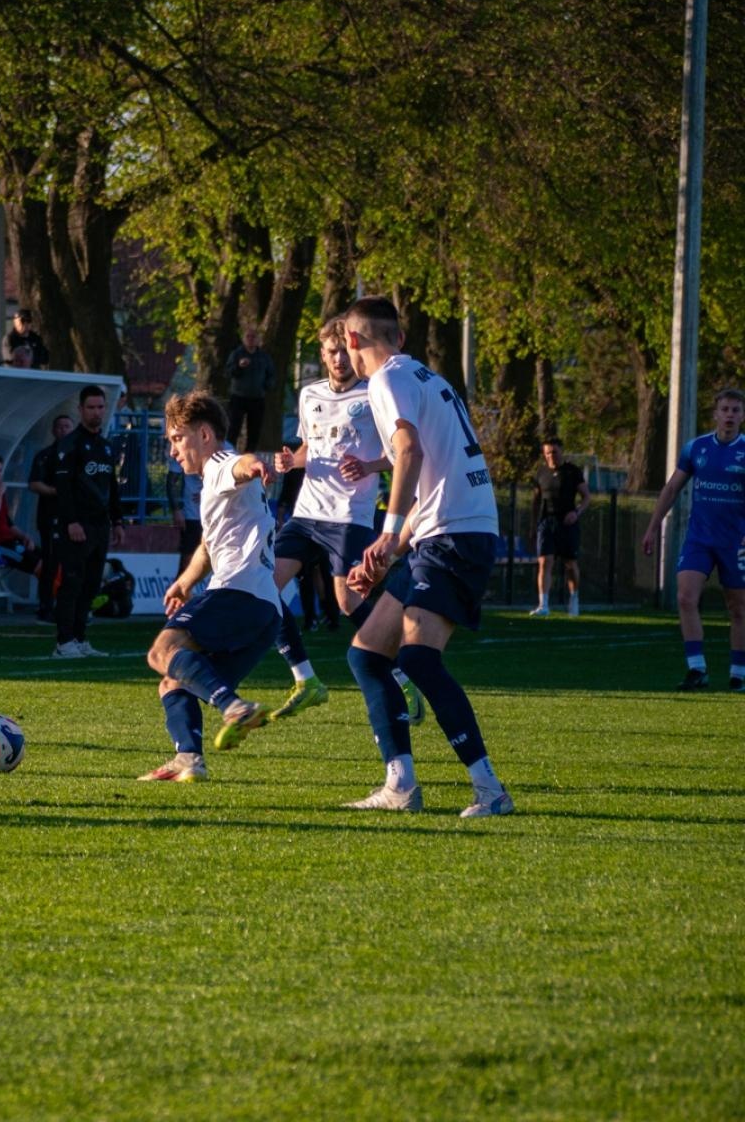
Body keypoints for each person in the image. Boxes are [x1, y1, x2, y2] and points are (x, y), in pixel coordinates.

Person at [337, 296, 513, 817]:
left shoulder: (386, 381)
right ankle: (401, 785)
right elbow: (429, 478)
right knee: (367, 654)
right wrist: (392, 549)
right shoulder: (422, 376)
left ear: (351, 342)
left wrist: (389, 533)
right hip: (446, 532)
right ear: (399, 336)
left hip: (454, 537)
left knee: (417, 659)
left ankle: (489, 788)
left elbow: (409, 452)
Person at [267, 317, 423, 721]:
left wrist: (370, 467)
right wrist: (290, 460)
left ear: (352, 351)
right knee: (263, 588)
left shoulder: (376, 393)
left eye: (343, 351)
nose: (338, 358)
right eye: (330, 352)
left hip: (348, 517)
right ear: (322, 355)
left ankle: (403, 673)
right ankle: (306, 680)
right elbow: (309, 448)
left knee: (348, 599)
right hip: (306, 513)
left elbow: (402, 453)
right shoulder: (310, 394)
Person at [138, 391, 280, 780]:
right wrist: (185, 582)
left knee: (162, 651)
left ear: (203, 434)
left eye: (176, 438)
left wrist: (256, 466)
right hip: (266, 610)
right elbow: (208, 543)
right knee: (173, 681)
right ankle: (188, 760)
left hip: (238, 591)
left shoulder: (220, 463)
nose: (172, 450)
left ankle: (234, 707)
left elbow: (241, 465)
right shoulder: (215, 477)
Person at [640, 387, 745, 692]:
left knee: (738, 608)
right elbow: (671, 489)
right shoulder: (695, 448)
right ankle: (696, 669)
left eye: (735, 410)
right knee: (685, 597)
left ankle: (739, 672)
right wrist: (652, 527)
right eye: (724, 409)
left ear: (742, 415)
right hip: (699, 538)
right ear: (715, 414)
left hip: (735, 542)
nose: (729, 415)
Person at [51, 386, 124, 657]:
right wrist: (71, 521)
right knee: (72, 582)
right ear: (80, 410)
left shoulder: (105, 447)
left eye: (100, 407)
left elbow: (112, 487)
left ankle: (80, 638)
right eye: (91, 407)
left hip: (100, 526)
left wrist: (117, 521)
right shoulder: (69, 445)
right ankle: (64, 641)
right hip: (76, 525)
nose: (96, 412)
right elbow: (64, 487)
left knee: (92, 584)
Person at [531, 436, 591, 617]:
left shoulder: (572, 472)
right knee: (544, 562)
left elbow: (586, 497)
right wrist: (533, 526)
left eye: (554, 452)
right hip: (546, 522)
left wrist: (576, 512)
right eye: (548, 453)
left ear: (561, 452)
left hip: (567, 523)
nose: (551, 456)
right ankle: (544, 604)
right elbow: (536, 500)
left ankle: (574, 598)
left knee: (570, 564)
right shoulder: (541, 473)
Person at [26, 413, 74, 621]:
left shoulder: (79, 455)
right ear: (54, 431)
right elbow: (34, 483)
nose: (63, 430)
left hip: (74, 519)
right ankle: (46, 605)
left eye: (67, 426)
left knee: (72, 563)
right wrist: (57, 491)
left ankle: (70, 606)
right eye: (60, 426)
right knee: (51, 562)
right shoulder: (45, 456)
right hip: (50, 517)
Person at [224, 327, 277, 453]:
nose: (251, 339)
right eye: (248, 336)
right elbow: (228, 373)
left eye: (254, 337)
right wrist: (239, 366)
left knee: (254, 431)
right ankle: (230, 454)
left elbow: (272, 375)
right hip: (238, 397)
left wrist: (266, 386)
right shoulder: (236, 354)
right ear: (243, 339)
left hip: (257, 398)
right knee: (233, 429)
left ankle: (249, 455)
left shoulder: (264, 357)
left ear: (258, 340)